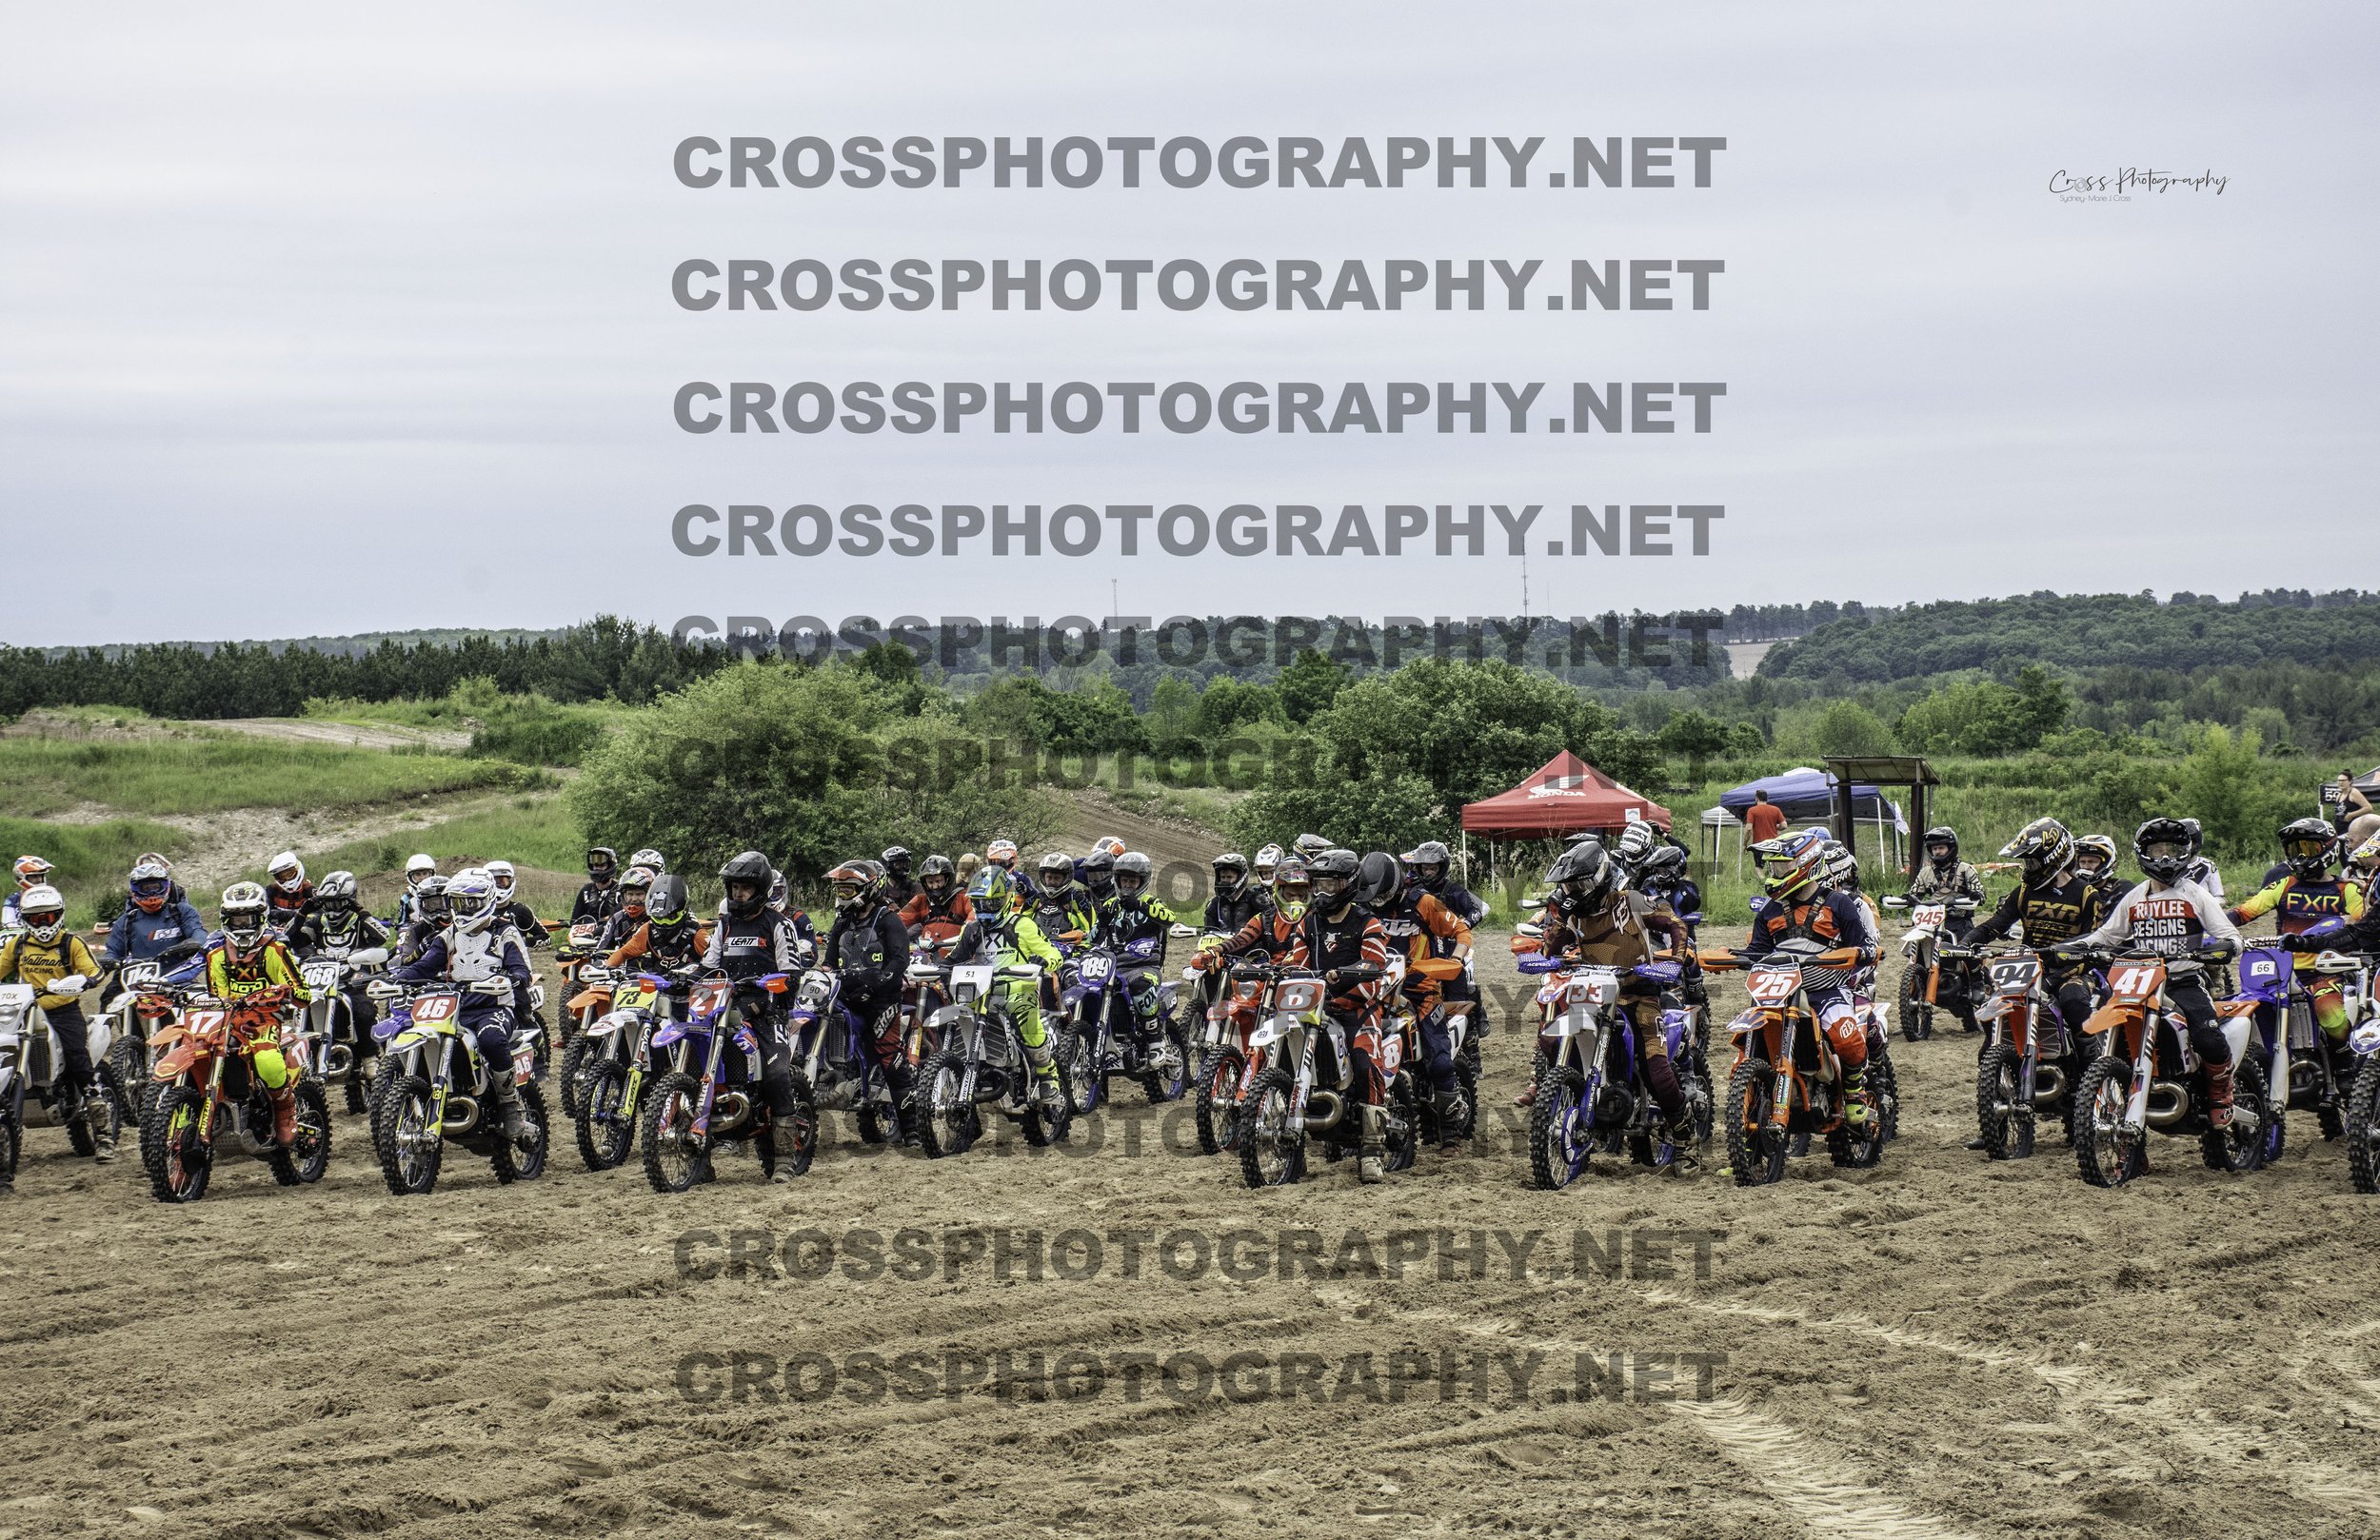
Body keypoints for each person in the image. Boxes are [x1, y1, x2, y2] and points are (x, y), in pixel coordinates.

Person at [1522, 839, 1696, 1153]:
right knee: (1550, 1039)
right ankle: (1579, 1097)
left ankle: (1685, 1131)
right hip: (1595, 996)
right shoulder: (1574, 916)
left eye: (1578, 885)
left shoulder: (1631, 901)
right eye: (1568, 886)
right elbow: (1551, 948)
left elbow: (1675, 923)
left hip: (1639, 995)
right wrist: (1547, 949)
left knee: (1657, 1071)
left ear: (1598, 878)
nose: (1573, 892)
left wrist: (1675, 960)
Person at [2073, 817, 2244, 1126]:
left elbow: (2230, 935)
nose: (2164, 857)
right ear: (2143, 853)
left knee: (2207, 1036)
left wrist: (2226, 946)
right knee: (2109, 1032)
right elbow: (2106, 935)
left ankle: (2221, 1090)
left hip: (2183, 980)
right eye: (2157, 850)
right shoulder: (2135, 897)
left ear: (2185, 852)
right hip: (2139, 981)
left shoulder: (2194, 894)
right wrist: (2072, 947)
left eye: (2172, 850)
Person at [1745, 830, 1881, 1131]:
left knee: (1846, 1038)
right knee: (1752, 1034)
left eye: (1782, 866)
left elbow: (1863, 945)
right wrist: (1731, 956)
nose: (1775, 872)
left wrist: (1863, 952)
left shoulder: (1839, 903)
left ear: (1805, 864)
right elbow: (1757, 951)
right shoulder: (1769, 910)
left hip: (1827, 990)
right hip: (1779, 991)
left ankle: (1854, 1092)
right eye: (1773, 866)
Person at [385, 869, 535, 1138]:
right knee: (425, 1037)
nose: (464, 909)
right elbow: (423, 966)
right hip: (453, 1008)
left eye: (471, 903)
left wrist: (511, 978)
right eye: (458, 902)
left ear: (487, 900)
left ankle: (510, 1106)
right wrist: (396, 980)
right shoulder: (449, 935)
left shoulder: (505, 932)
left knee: (491, 1039)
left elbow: (521, 970)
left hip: (494, 1008)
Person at [1278, 849, 1396, 1182]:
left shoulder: (1367, 922)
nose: (1323, 892)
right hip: (1315, 1009)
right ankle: (1293, 1155)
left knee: (1364, 1062)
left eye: (1331, 884)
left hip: (1357, 1008)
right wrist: (1282, 971)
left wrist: (1345, 977)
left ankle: (1372, 1150)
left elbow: (1375, 967)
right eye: (1319, 885)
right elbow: (1298, 961)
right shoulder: (1309, 922)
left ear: (1348, 884)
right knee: (1285, 1063)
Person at [195, 880, 318, 1145]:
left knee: (267, 1059)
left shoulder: (274, 950)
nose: (242, 926)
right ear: (225, 920)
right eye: (236, 920)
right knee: (200, 1051)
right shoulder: (216, 956)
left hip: (264, 1019)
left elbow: (303, 995)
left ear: (261, 917)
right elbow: (217, 996)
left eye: (248, 919)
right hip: (227, 1020)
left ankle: (285, 1111)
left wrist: (282, 991)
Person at [0, 883, 114, 1163]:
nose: (42, 923)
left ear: (59, 915)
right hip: (25, 1010)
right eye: (35, 918)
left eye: (48, 917)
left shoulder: (71, 943)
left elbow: (95, 971)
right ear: (25, 919)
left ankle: (103, 1134)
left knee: (79, 1061)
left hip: (63, 1012)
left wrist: (86, 981)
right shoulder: (17, 945)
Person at [2229, 819, 2365, 1054]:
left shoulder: (2346, 889)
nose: (2301, 856)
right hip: (2282, 971)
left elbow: (2363, 921)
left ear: (2329, 848)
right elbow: (2243, 912)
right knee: (2249, 1011)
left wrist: (2344, 920)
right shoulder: (2284, 885)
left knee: (2331, 1017)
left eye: (2308, 848)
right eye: (2294, 849)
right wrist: (2213, 928)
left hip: (2324, 971)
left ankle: (2345, 1062)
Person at [1373, 850, 1474, 1144]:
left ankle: (1451, 1132)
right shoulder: (1366, 905)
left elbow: (1461, 930)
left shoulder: (1424, 902)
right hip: (1378, 987)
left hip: (1421, 987)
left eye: (1382, 896)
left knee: (1439, 1059)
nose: (1378, 902)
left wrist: (1456, 958)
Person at [945, 867, 1067, 1108]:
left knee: (1025, 1018)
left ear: (1006, 899)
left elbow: (1053, 953)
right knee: (957, 1016)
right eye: (980, 903)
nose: (986, 908)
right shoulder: (971, 929)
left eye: (992, 903)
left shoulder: (1022, 924)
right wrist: (934, 969)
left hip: (1017, 989)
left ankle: (1048, 1076)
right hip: (980, 993)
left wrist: (1043, 962)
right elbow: (953, 958)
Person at [819, 858, 916, 1143]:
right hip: (846, 996)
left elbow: (900, 960)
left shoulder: (888, 919)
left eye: (847, 890)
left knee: (889, 1055)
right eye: (839, 890)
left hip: (881, 999)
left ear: (869, 888)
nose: (842, 895)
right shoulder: (842, 922)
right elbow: (828, 963)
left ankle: (911, 1128)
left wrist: (878, 983)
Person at [287, 870, 393, 1047]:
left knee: (364, 1012)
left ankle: (369, 1057)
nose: (332, 909)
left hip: (353, 984)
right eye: (327, 903)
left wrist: (360, 911)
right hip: (321, 985)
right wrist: (302, 912)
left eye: (337, 903)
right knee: (304, 1009)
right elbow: (291, 938)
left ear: (349, 901)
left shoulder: (360, 920)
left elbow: (382, 937)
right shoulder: (318, 922)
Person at [101, 857, 209, 1001]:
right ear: (135, 890)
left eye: (156, 887)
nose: (151, 893)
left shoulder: (181, 912)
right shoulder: (126, 920)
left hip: (177, 975)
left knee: (199, 999)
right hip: (136, 977)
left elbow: (197, 930)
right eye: (146, 888)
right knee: (108, 999)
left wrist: (195, 942)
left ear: (165, 886)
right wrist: (108, 962)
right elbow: (114, 951)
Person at [605, 873, 712, 972]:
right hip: (656, 982)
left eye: (670, 917)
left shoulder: (697, 934)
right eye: (659, 917)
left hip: (691, 984)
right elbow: (623, 953)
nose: (664, 923)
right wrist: (607, 969)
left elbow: (715, 966)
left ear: (683, 912)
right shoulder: (647, 929)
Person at [900, 855, 975, 946]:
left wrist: (968, 926)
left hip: (957, 951)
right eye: (930, 882)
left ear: (947, 879)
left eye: (938, 881)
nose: (935, 886)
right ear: (925, 883)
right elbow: (899, 920)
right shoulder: (921, 900)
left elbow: (974, 916)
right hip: (927, 953)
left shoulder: (963, 897)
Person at [483, 861, 551, 947]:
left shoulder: (520, 910)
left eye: (502, 882)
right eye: (493, 883)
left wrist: (521, 942)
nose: (497, 886)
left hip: (513, 954)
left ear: (511, 882)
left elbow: (546, 937)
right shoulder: (480, 911)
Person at [394, 876, 451, 966]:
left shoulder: (461, 926)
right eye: (432, 905)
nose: (438, 910)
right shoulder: (416, 930)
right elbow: (405, 962)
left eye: (442, 903)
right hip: (430, 973)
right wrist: (421, 948)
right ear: (421, 905)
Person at [571, 847, 622, 925]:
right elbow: (575, 920)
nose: (597, 868)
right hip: (587, 932)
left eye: (602, 865)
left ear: (611, 865)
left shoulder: (620, 890)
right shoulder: (586, 890)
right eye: (595, 865)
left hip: (611, 930)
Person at [7, 855, 57, 929]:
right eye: (34, 876)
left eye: (41, 875)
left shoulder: (52, 896)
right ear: (21, 877)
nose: (39, 880)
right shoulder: (13, 900)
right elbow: (7, 924)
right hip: (21, 934)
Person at [264, 852, 313, 929]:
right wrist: (297, 914)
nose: (286, 879)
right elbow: (265, 913)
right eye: (281, 877)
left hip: (302, 931)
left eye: (289, 874)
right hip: (275, 932)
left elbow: (316, 916)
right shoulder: (271, 890)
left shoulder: (309, 890)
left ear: (297, 869)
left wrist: (279, 914)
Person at [392, 854, 440, 931]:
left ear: (431, 873)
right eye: (418, 874)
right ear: (411, 876)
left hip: (439, 932)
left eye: (425, 873)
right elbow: (402, 925)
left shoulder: (440, 893)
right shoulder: (407, 898)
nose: (422, 877)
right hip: (417, 934)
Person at [2331, 771, 2374, 837]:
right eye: (2339, 780)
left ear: (2350, 781)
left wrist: (2352, 814)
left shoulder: (2354, 792)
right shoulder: (2339, 795)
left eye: (2343, 780)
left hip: (2351, 829)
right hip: (2339, 829)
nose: (2340, 783)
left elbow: (2368, 808)